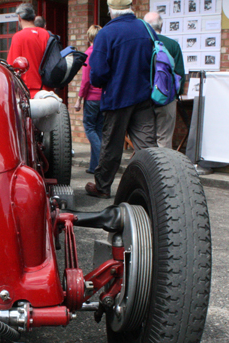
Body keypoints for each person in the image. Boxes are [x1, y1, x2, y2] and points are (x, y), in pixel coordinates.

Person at [85, 0, 157, 198]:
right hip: (144, 96)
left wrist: (102, 81)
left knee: (111, 146)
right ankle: (157, 187)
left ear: (110, 10)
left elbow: (98, 72)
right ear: (130, 7)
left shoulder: (106, 34)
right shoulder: (146, 29)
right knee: (147, 145)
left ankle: (102, 187)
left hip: (117, 97)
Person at [144, 12, 185, 149]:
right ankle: (163, 169)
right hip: (166, 97)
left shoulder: (141, 44)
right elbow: (179, 74)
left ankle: (147, 168)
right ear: (161, 25)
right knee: (164, 138)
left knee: (145, 138)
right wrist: (176, 95)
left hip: (144, 98)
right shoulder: (172, 45)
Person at [74, 25, 103, 174]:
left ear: (89, 37)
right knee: (98, 130)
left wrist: (79, 99)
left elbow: (85, 80)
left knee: (89, 129)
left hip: (91, 98)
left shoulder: (88, 54)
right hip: (103, 98)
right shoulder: (105, 53)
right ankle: (94, 167)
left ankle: (100, 162)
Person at [7, 3, 50, 98]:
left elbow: (12, 67)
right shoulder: (45, 34)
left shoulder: (18, 37)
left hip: (28, 92)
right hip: (47, 91)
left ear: (19, 18)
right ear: (34, 17)